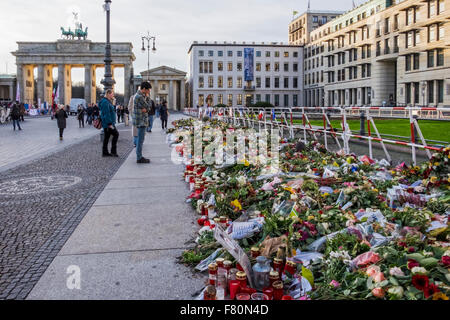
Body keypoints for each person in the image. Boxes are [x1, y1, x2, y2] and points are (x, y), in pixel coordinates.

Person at [133, 81, 152, 164]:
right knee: (140, 140)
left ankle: (139, 156)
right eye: (148, 90)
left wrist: (146, 109)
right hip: (141, 121)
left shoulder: (140, 96)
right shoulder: (139, 97)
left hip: (141, 120)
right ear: (144, 89)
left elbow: (147, 108)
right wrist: (148, 99)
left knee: (140, 139)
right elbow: (148, 106)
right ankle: (139, 157)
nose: (149, 91)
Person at [99, 89, 119, 157]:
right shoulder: (105, 102)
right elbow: (106, 113)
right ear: (108, 94)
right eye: (112, 94)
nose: (113, 95)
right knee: (116, 134)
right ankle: (113, 151)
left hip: (108, 123)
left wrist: (113, 103)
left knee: (106, 138)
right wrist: (109, 124)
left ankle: (105, 152)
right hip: (108, 124)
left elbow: (110, 111)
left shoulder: (107, 101)